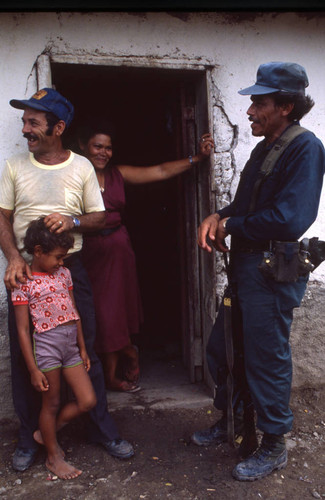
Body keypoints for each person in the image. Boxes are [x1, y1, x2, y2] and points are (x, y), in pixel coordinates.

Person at [191, 62, 325, 481]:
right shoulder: (265, 147)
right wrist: (218, 215)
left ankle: (273, 443)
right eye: (251, 101)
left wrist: (232, 225)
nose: (249, 110)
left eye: (259, 102)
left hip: (270, 272)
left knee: (265, 359)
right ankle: (232, 424)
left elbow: (290, 219)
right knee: (225, 348)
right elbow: (246, 208)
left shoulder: (305, 147)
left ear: (286, 106)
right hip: (247, 268)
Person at [0, 87, 134, 473]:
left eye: (33, 123)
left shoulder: (81, 168)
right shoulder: (14, 167)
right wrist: (12, 257)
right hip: (25, 272)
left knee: (83, 349)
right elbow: (2, 218)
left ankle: (102, 430)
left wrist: (73, 221)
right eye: (25, 121)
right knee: (28, 361)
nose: (25, 129)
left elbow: (100, 217)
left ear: (58, 128)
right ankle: (29, 439)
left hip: (71, 269)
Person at [77, 120, 214, 392]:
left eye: (108, 148)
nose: (103, 153)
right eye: (97, 146)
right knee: (96, 314)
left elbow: (161, 171)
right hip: (88, 253)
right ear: (83, 146)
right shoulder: (73, 175)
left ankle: (111, 376)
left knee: (114, 312)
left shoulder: (119, 174)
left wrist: (197, 158)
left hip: (117, 249)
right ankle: (128, 352)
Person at [12, 218, 97, 479]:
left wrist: (82, 348)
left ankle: (46, 432)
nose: (62, 262)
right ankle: (52, 456)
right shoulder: (23, 282)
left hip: (70, 347)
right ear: (38, 251)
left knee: (87, 400)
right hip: (47, 350)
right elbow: (24, 331)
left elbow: (74, 312)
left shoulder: (64, 274)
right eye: (58, 257)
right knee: (51, 403)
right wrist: (33, 369)